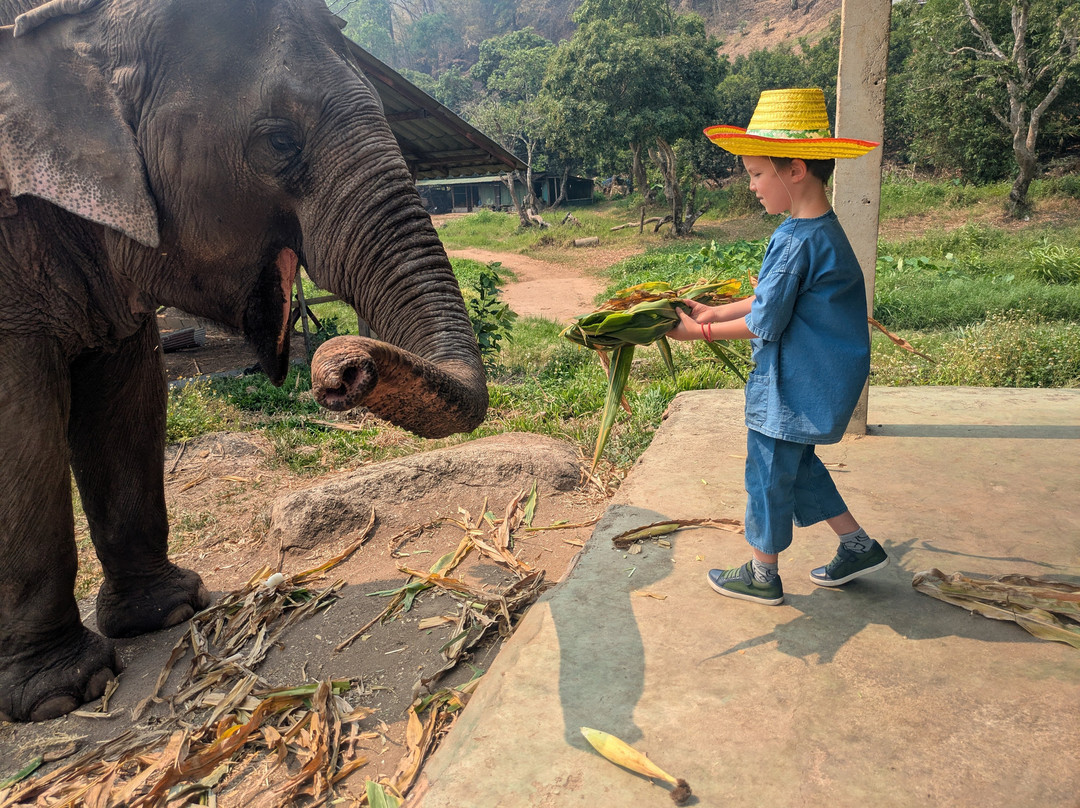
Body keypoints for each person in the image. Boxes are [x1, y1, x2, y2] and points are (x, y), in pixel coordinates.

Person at [667, 87, 888, 606]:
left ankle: (762, 573)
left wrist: (694, 333)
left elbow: (767, 323)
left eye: (756, 173)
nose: (751, 186)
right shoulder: (815, 231)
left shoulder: (796, 242)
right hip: (814, 381)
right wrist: (717, 311)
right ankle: (856, 546)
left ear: (795, 171)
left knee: (767, 472)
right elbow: (774, 298)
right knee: (801, 467)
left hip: (791, 384)